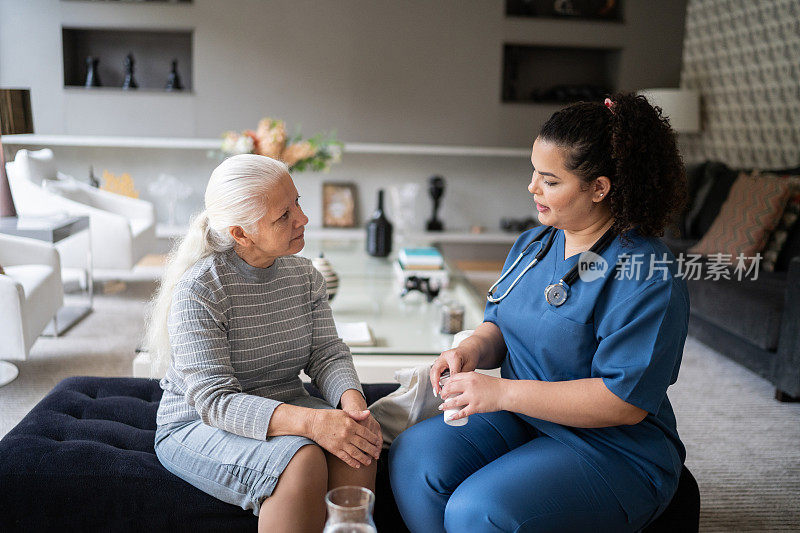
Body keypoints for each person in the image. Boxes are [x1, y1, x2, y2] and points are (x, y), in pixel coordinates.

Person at [389, 92, 690, 532]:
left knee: (479, 510)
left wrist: (502, 394)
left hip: (613, 446)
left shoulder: (646, 272)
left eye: (549, 180)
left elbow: (622, 402)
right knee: (415, 458)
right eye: (534, 173)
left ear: (599, 187)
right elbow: (502, 322)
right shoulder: (535, 245)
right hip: (525, 418)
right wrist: (473, 347)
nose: (532, 187)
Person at [146, 154, 382, 533]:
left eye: (297, 203)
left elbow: (326, 353)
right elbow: (215, 402)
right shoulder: (201, 290)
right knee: (302, 459)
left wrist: (354, 409)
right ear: (240, 233)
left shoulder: (304, 275)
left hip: (283, 402)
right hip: (199, 424)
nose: (302, 219)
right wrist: (313, 422)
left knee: (360, 449)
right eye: (283, 216)